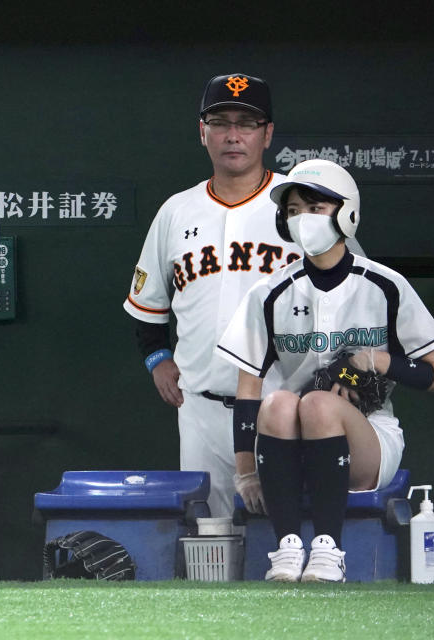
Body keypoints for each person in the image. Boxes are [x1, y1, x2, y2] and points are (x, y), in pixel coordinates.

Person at [216, 159, 434, 582]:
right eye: (294, 209)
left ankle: (328, 548)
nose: (304, 218)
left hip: (370, 438)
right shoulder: (270, 293)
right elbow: (248, 388)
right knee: (280, 401)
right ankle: (286, 548)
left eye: (316, 208)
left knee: (318, 405)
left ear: (347, 213)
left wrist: (379, 360)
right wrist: (245, 470)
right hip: (291, 439)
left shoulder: (385, 284)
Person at [123, 73, 301, 517]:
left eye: (247, 122)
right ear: (203, 132)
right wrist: (156, 358)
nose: (233, 135)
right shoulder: (176, 211)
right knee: (210, 544)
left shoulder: (302, 205)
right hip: (201, 406)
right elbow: (147, 304)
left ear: (268, 134)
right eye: (220, 122)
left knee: (285, 540)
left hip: (283, 404)